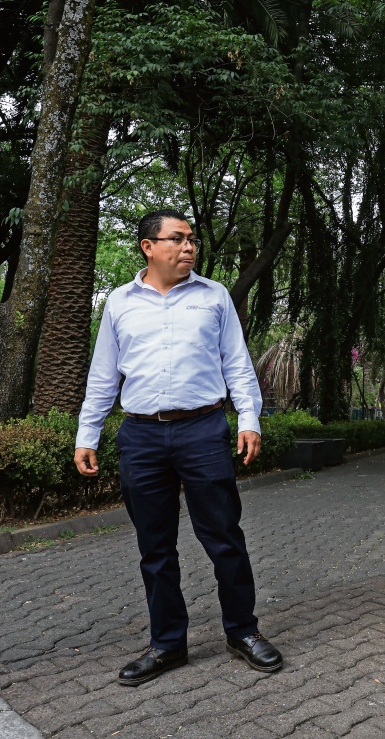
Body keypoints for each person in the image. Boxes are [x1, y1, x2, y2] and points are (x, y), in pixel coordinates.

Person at [74, 209, 281, 686]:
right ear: (149, 247)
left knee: (224, 538)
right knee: (155, 547)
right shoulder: (120, 304)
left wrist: (249, 419)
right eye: (177, 239)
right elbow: (104, 375)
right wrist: (88, 434)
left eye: (192, 240)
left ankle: (243, 632)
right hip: (141, 436)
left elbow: (238, 363)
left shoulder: (214, 297)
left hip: (203, 430)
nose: (189, 247)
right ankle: (167, 644)